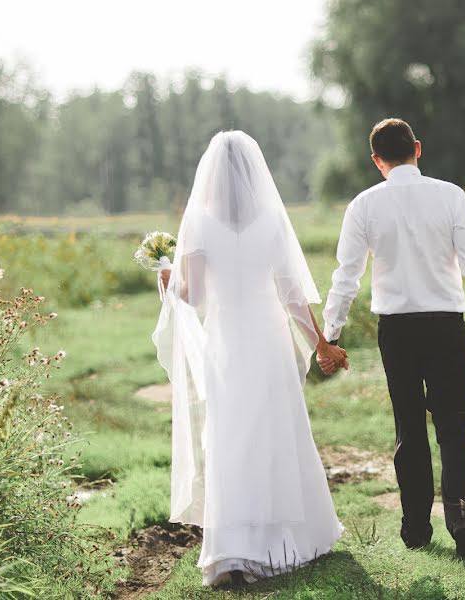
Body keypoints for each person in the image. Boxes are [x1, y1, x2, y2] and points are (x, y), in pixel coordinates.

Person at [153, 131, 348, 586]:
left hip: (228, 341)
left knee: (230, 436)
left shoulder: (199, 223)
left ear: (212, 175)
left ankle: (234, 550)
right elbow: (293, 295)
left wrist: (168, 280)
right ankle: (292, 540)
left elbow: (195, 296)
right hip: (270, 339)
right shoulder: (273, 222)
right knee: (279, 432)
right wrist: (320, 341)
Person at [320, 118, 465, 560]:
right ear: (418, 149)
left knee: (409, 426)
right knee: (452, 425)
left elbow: (346, 277)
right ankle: (462, 521)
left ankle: (415, 528)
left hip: (398, 331)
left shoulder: (363, 205)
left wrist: (329, 336)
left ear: (376, 161)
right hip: (447, 325)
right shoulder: (451, 196)